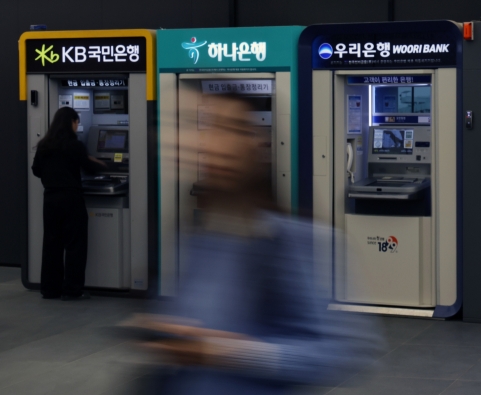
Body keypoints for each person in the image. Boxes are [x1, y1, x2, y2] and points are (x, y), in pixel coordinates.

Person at [121, 93, 380, 394]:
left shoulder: (294, 238)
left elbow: (339, 350)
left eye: (231, 129)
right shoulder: (197, 236)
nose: (215, 144)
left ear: (256, 147)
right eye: (206, 128)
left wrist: (224, 351)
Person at [31, 106, 106, 300]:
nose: (77, 125)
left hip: (50, 200)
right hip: (71, 200)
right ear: (71, 122)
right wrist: (101, 163)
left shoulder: (44, 145)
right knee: (75, 246)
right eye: (76, 122)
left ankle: (50, 289)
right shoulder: (74, 145)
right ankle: (72, 290)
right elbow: (89, 169)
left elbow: (36, 170)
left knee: (51, 246)